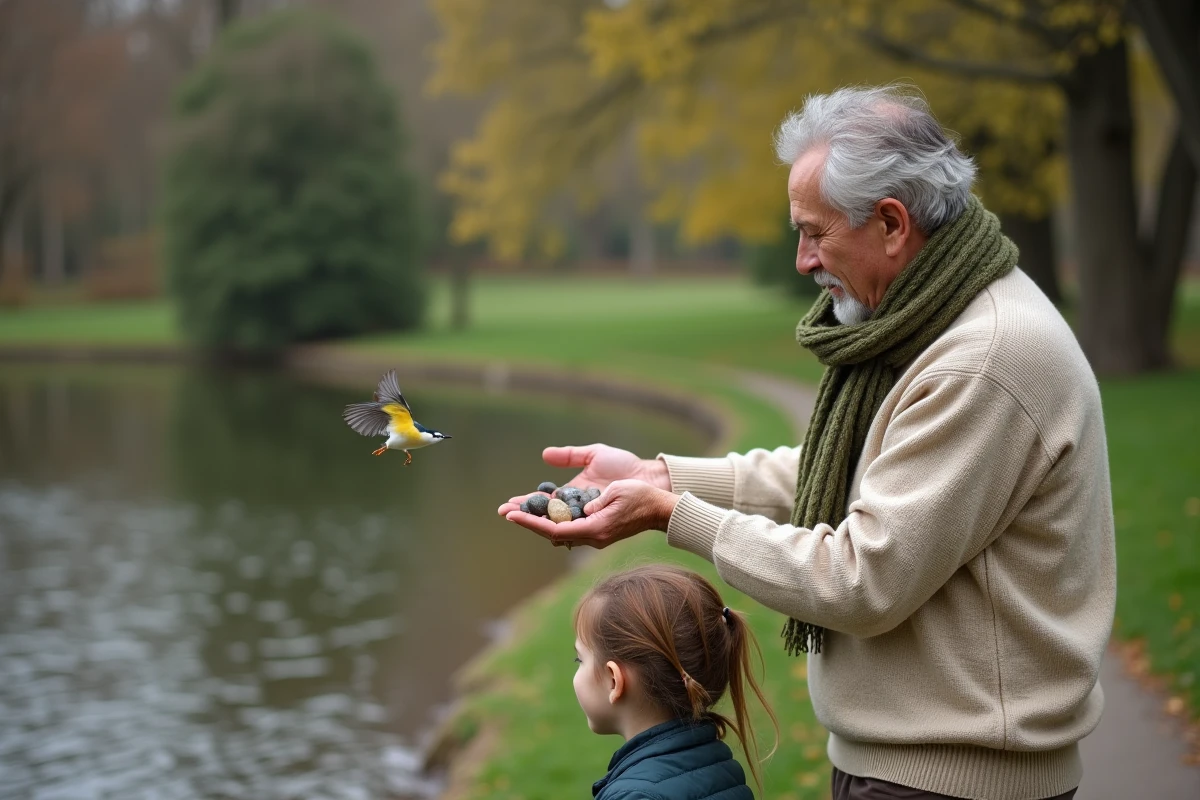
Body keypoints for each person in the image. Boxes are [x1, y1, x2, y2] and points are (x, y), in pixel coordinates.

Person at [500, 85, 1115, 800]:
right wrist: (661, 476)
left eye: (815, 233)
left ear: (891, 224)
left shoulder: (982, 359)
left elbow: (863, 579)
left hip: (953, 784)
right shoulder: (934, 317)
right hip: (905, 769)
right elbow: (851, 469)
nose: (802, 260)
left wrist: (673, 517)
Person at [572, 564, 776, 799]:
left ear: (613, 680)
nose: (577, 668)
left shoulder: (634, 795)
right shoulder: (721, 765)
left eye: (580, 659)